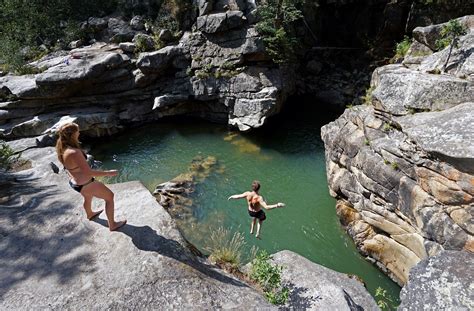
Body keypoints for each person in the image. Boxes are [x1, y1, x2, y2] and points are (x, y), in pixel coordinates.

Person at [55, 122, 126, 231]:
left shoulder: (62, 148)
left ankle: (90, 214)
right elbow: (89, 172)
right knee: (110, 197)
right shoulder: (74, 152)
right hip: (86, 183)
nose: (79, 132)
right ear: (73, 134)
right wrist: (108, 173)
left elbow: (69, 167)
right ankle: (112, 225)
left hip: (75, 183)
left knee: (88, 197)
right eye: (78, 131)